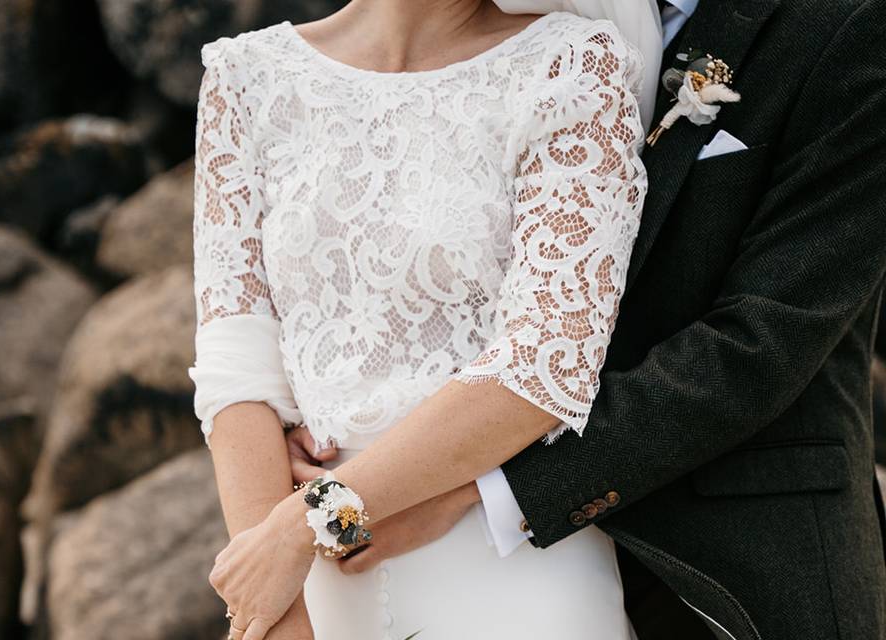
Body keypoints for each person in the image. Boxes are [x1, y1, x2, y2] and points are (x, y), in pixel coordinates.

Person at [283, 0, 886, 638]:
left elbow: (759, 348)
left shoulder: (848, 24)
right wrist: (336, 416)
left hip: (736, 564)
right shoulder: (516, 13)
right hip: (501, 561)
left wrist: (476, 490)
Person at [187, 0, 662, 638]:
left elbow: (545, 365)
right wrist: (275, 617)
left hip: (506, 565)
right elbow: (235, 358)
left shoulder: (569, 67)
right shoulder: (246, 76)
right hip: (307, 580)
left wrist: (306, 523)